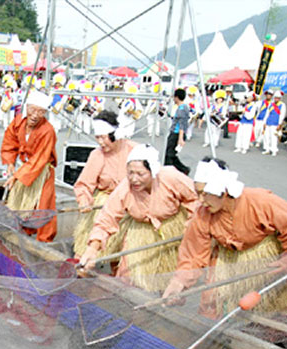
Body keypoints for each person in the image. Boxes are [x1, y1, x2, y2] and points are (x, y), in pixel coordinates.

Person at [162, 159, 287, 317]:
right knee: (212, 302)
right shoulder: (202, 214)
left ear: (223, 192)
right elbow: (193, 255)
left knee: (262, 309)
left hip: (261, 262)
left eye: (205, 194)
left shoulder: (258, 200)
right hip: (226, 260)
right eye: (198, 193)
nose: (201, 200)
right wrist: (179, 283)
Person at [80, 144, 199, 292]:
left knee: (166, 283)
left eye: (140, 174)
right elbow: (107, 217)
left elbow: (196, 198)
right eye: (130, 173)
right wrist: (93, 248)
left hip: (170, 232)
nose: (134, 179)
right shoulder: (126, 187)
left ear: (153, 171)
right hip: (139, 233)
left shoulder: (170, 177)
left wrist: (191, 226)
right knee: (128, 279)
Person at [71, 111, 139, 257]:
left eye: (103, 137)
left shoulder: (135, 151)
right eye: (97, 138)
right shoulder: (97, 155)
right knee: (84, 252)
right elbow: (83, 184)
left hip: (130, 207)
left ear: (115, 134)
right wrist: (84, 200)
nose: (100, 142)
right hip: (104, 207)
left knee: (122, 256)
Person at [1, 90, 58, 242]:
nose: (35, 115)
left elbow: (40, 159)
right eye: (32, 110)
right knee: (21, 203)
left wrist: (17, 176)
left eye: (41, 112)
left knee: (44, 205)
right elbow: (9, 143)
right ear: (26, 107)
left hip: (42, 171)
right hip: (24, 168)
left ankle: (45, 240)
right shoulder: (18, 122)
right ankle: (24, 232)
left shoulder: (48, 131)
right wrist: (10, 164)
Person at [164, 88, 191, 176]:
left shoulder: (182, 108)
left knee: (169, 154)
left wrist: (180, 138)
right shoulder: (182, 107)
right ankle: (182, 169)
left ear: (176, 97)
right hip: (176, 132)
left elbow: (182, 124)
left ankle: (174, 171)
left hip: (176, 133)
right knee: (170, 153)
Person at [261, 90, 285, 156]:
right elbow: (267, 113)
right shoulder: (271, 104)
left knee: (273, 137)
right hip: (268, 122)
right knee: (266, 136)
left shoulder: (282, 105)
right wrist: (264, 122)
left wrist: (279, 124)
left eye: (278, 98)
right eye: (275, 97)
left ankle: (274, 150)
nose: (276, 99)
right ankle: (267, 149)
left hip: (275, 123)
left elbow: (282, 115)